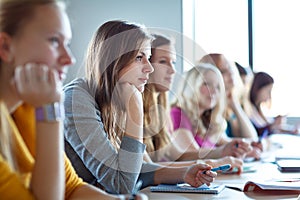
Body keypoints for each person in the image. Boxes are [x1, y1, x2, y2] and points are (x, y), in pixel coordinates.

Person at [1, 0, 147, 199]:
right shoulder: (51, 105)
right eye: (53, 41)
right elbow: (120, 182)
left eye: (67, 44)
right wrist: (49, 111)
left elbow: (70, 188)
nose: (69, 59)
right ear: (5, 46)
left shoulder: (25, 109)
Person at [63, 20, 217, 195]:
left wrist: (184, 173)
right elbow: (121, 183)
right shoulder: (76, 100)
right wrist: (135, 110)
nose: (149, 68)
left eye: (148, 58)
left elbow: (131, 168)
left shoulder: (114, 100)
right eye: (139, 57)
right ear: (113, 60)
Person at [143, 34, 244, 172]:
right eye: (162, 61)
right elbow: (149, 170)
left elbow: (178, 156)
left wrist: (221, 154)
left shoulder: (161, 111)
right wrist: (214, 163)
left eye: (173, 62)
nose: (173, 70)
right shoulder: (175, 113)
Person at [170, 63, 254, 160]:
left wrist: (249, 146)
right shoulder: (177, 114)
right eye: (207, 84)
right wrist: (223, 151)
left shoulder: (205, 119)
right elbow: (190, 156)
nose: (214, 91)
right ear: (191, 86)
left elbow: (229, 144)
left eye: (218, 87)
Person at [247, 71, 298, 136]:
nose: (269, 96)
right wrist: (272, 125)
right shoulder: (249, 109)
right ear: (258, 89)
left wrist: (290, 130)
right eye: (268, 91)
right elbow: (257, 132)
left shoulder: (259, 109)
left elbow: (269, 128)